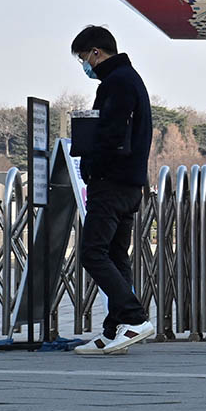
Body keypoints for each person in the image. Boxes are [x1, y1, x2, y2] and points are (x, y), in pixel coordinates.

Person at [71, 26, 155, 356]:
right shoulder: (130, 79)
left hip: (111, 182)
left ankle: (134, 318)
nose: (85, 65)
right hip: (130, 183)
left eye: (83, 58)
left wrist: (92, 163)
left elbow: (111, 133)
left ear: (96, 52)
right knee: (117, 255)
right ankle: (115, 330)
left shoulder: (116, 83)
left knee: (93, 252)